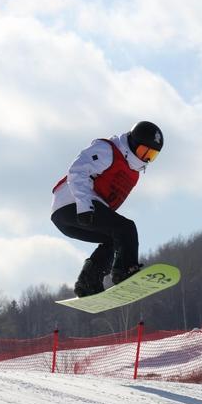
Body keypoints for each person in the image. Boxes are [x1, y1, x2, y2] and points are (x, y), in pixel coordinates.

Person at [50, 121, 164, 297]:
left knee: (113, 239)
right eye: (144, 151)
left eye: (152, 155)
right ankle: (125, 270)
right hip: (71, 203)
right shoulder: (109, 150)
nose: (146, 158)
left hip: (69, 216)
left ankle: (89, 282)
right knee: (126, 228)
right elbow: (77, 170)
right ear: (133, 143)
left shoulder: (132, 171)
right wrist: (85, 206)